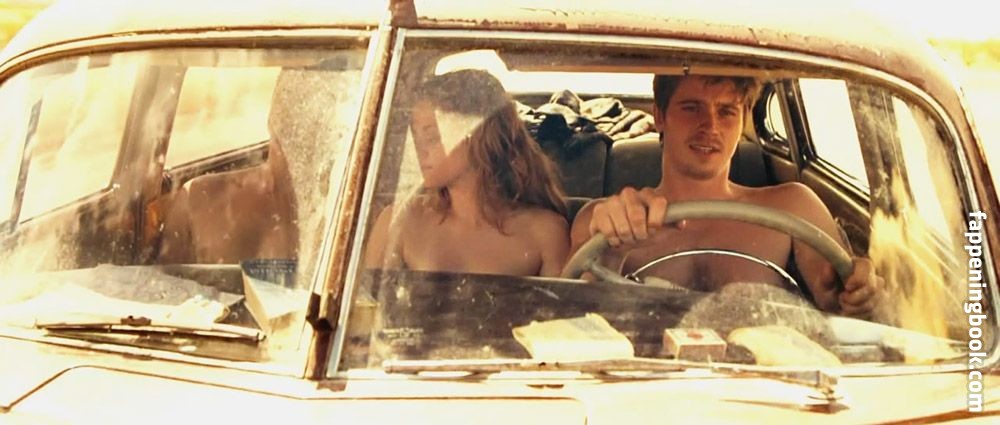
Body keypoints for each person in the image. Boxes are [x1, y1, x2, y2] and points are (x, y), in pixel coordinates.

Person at [570, 74, 881, 318]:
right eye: (692, 108)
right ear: (660, 116)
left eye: (726, 111)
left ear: (743, 118)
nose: (710, 126)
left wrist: (859, 292)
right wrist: (612, 254)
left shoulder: (794, 207)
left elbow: (842, 309)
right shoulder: (605, 220)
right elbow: (566, 324)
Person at [364, 69, 569, 277]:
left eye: (432, 137)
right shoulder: (398, 222)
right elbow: (364, 297)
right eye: (415, 138)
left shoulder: (545, 233)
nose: (420, 151)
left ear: (477, 136)